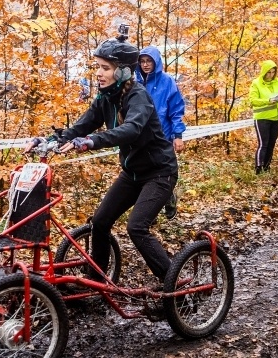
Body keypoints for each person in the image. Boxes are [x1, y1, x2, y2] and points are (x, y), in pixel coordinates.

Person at [26, 38, 177, 286]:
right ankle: (97, 281)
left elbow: (131, 129)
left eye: (105, 68)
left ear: (123, 71)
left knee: (136, 228)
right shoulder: (105, 98)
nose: (98, 73)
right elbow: (81, 126)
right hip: (132, 173)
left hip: (160, 173)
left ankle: (173, 283)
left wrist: (92, 141)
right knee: (100, 222)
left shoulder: (138, 97)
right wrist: (49, 139)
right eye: (97, 67)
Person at [137, 45, 186, 219]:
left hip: (162, 136)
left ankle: (169, 197)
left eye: (149, 61)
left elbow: (176, 110)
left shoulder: (167, 82)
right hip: (139, 137)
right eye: (142, 61)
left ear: (156, 61)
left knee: (162, 172)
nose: (145, 65)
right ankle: (148, 213)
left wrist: (177, 135)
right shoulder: (135, 82)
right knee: (144, 174)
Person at [249, 60, 278, 174]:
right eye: (268, 72)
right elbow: (253, 101)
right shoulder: (256, 83)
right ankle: (258, 167)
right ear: (264, 72)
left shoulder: (277, 81)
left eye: (273, 72)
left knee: (271, 143)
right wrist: (268, 101)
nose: (271, 75)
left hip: (275, 117)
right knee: (263, 143)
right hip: (262, 118)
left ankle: (267, 167)